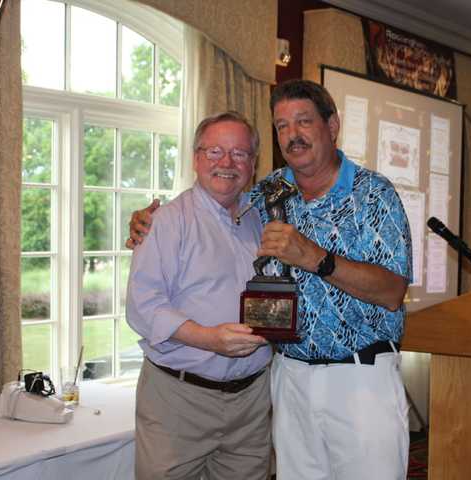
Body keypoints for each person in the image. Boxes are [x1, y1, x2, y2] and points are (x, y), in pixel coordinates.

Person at [129, 80, 413, 480]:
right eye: (282, 126)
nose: (292, 135)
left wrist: (316, 258)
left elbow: (392, 293)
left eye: (303, 121)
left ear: (332, 126)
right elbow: (212, 202)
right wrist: (145, 222)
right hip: (288, 377)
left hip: (359, 380)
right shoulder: (269, 193)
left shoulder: (374, 194)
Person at [126, 111, 271, 480]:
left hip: (252, 403)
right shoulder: (166, 221)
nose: (227, 162)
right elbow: (143, 307)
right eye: (214, 151)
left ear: (253, 164)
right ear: (195, 158)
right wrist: (209, 339)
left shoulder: (264, 218)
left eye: (240, 154)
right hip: (178, 400)